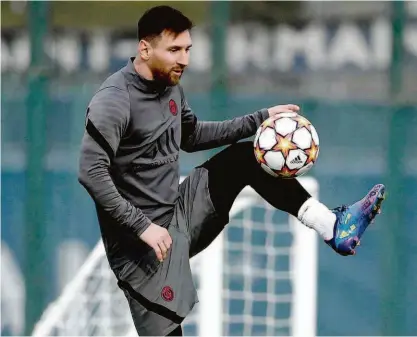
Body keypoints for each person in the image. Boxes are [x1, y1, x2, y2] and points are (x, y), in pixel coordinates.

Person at [78, 5, 385, 336]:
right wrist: (143, 227)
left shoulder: (170, 86)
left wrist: (260, 119)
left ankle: (333, 226)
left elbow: (192, 136)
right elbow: (91, 172)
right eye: (174, 50)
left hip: (181, 210)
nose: (184, 59)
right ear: (144, 48)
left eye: (188, 49)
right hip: (142, 249)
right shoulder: (113, 100)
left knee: (244, 158)